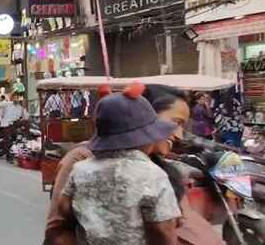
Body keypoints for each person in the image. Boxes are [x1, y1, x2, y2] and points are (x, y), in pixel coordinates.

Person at [46, 84, 222, 245]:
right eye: (175, 123)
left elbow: (64, 206)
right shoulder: (152, 174)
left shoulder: (81, 170)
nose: (179, 135)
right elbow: (163, 231)